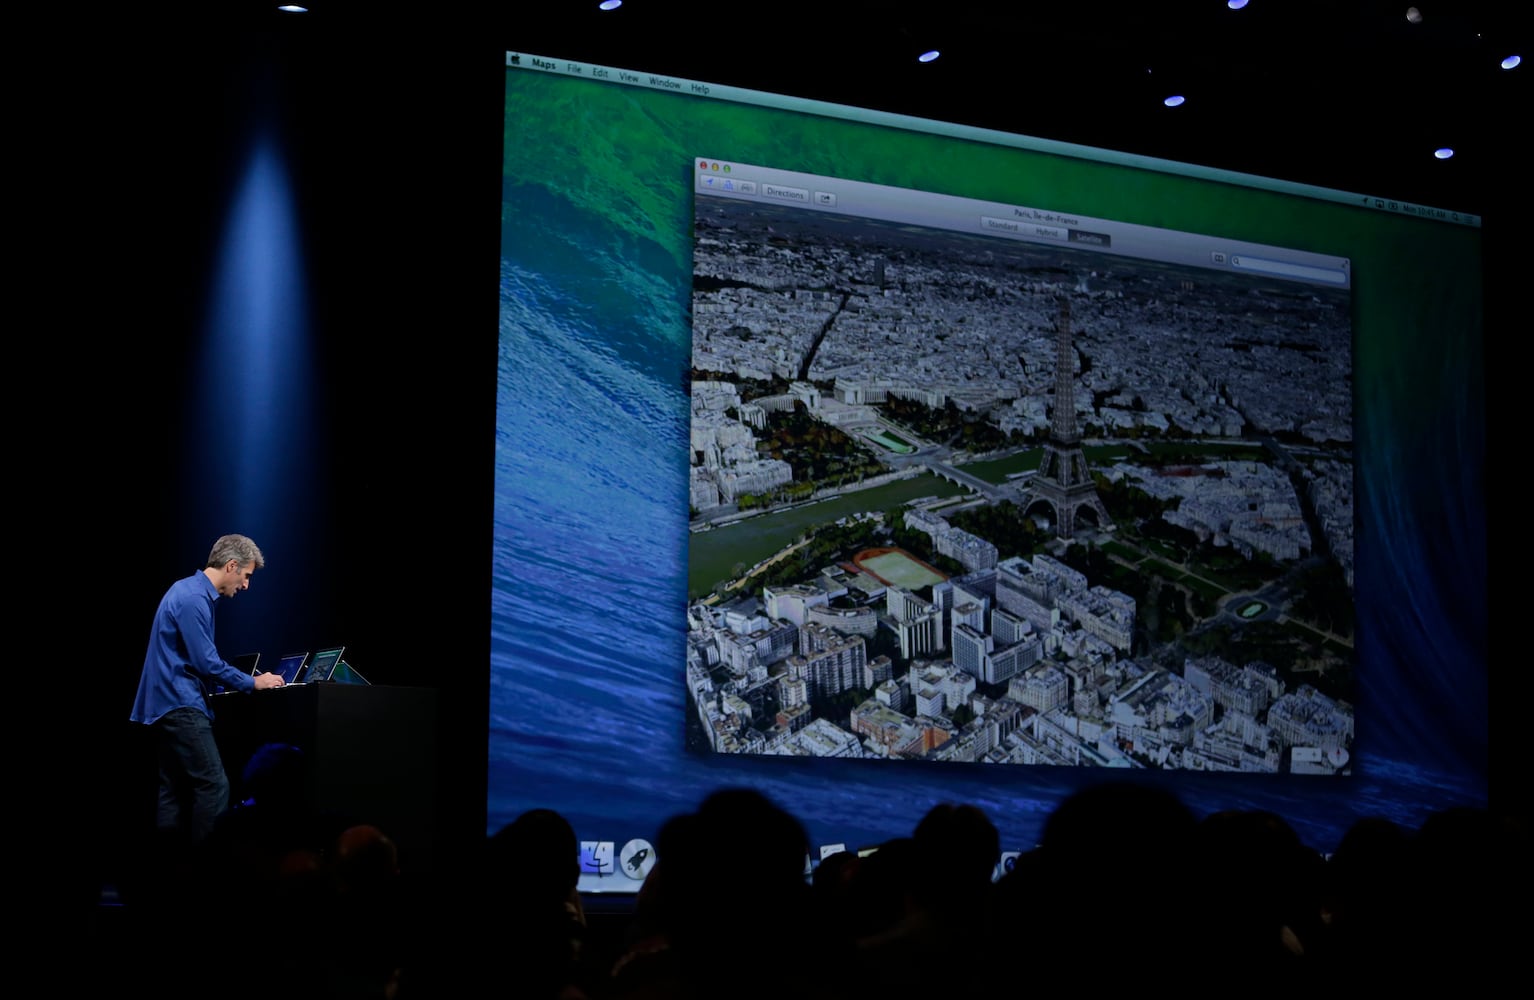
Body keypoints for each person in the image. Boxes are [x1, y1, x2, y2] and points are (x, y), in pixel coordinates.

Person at [129, 534, 284, 854]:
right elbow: (205, 661)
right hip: (179, 703)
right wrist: (253, 682)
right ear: (231, 565)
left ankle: (166, 870)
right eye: (246, 576)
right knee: (214, 785)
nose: (246, 585)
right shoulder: (193, 598)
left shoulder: (183, 589)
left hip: (162, 704)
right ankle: (208, 871)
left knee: (172, 791)